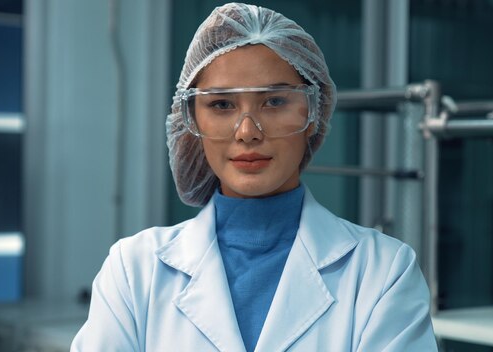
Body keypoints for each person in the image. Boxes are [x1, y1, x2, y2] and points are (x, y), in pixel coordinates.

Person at [71, 3, 437, 351]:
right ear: (191, 120)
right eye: (221, 104)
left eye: (275, 102)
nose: (247, 131)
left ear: (314, 113)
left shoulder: (383, 272)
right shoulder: (134, 270)